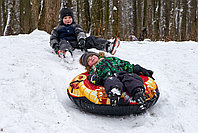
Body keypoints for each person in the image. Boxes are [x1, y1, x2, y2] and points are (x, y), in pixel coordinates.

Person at [79, 52, 154, 109]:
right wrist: (95, 76)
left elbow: (124, 64)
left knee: (130, 78)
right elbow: (93, 79)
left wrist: (137, 68)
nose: (91, 58)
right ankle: (114, 93)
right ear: (89, 65)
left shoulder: (111, 59)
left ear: (97, 55)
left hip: (121, 73)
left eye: (92, 56)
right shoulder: (94, 69)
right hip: (109, 77)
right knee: (111, 81)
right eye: (89, 60)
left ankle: (138, 92)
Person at [50, 7, 119, 57]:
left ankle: (108, 46)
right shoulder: (57, 29)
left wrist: (81, 40)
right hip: (66, 44)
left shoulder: (75, 26)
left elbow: (80, 32)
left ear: (72, 18)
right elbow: (53, 38)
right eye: (65, 18)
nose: (68, 20)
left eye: (69, 18)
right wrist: (55, 46)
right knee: (63, 42)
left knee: (91, 39)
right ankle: (65, 53)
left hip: (79, 43)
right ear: (62, 19)